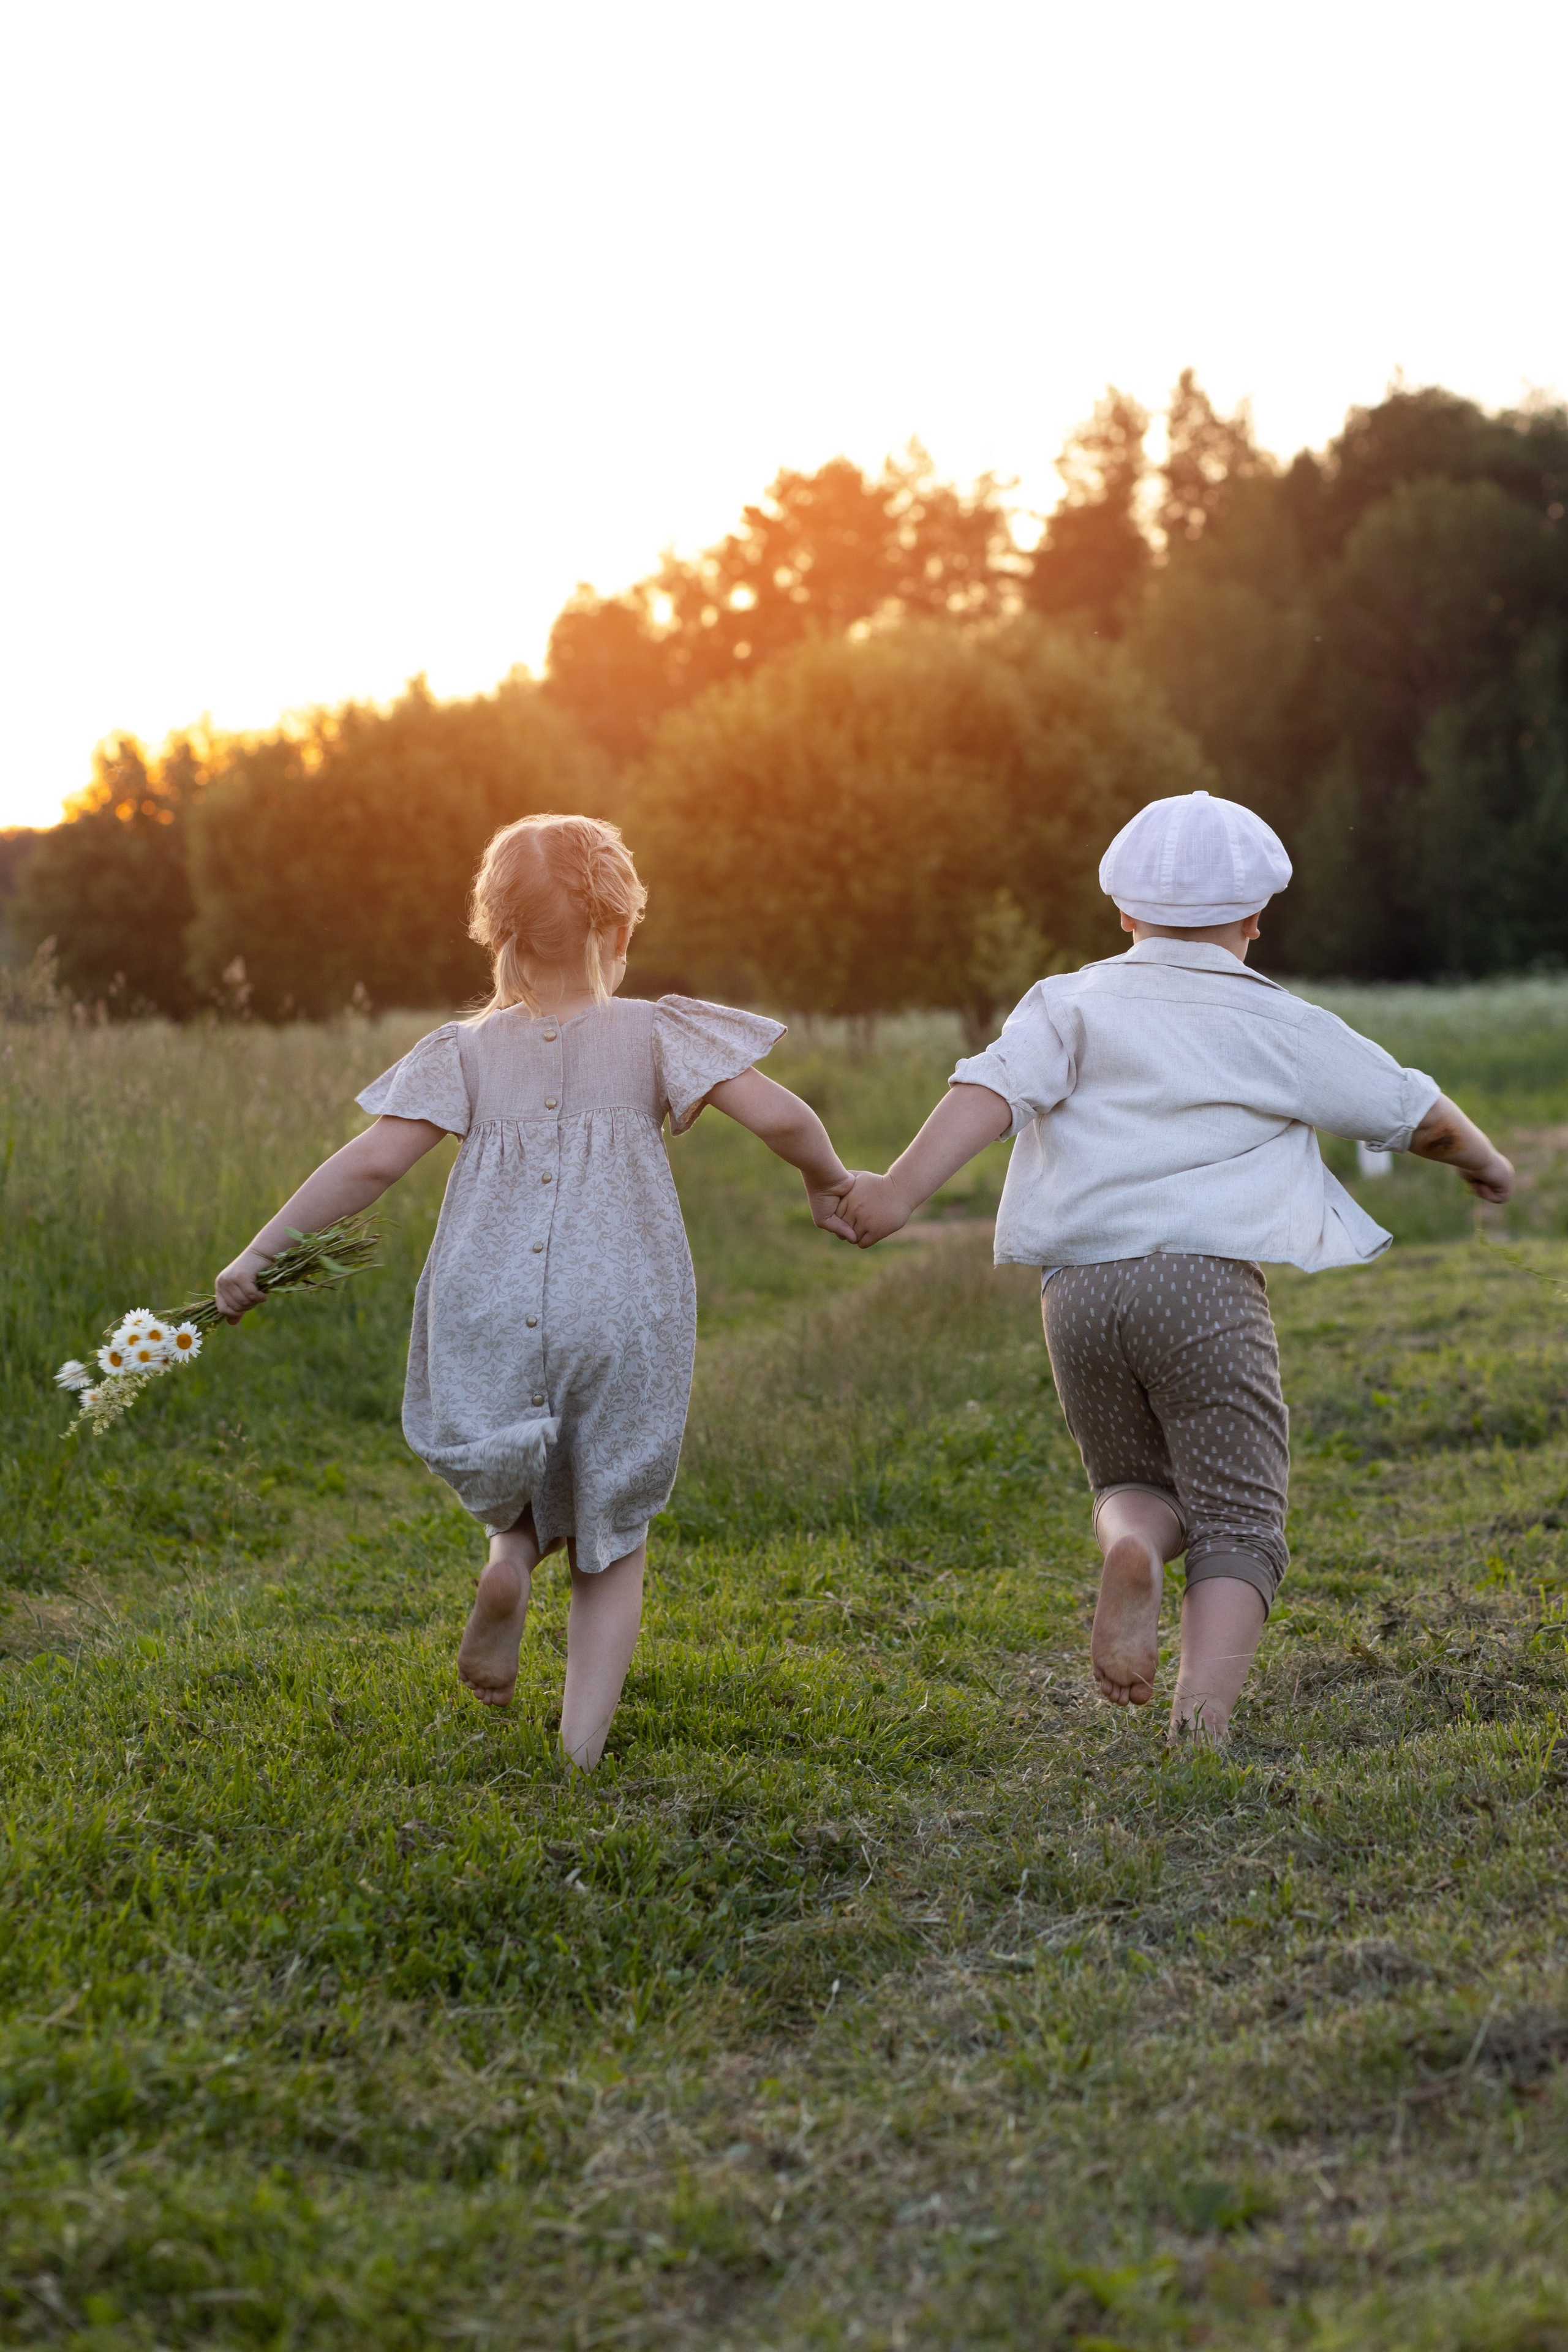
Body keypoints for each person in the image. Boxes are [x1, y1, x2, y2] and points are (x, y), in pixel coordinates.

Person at [838, 790, 1513, 1742]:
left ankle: (1132, 1550)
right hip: (1201, 1287)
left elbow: (989, 1090)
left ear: (1123, 912)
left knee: (1133, 1482)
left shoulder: (1067, 1002)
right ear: (1254, 920)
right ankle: (1202, 1723)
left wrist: (898, 1194)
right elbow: (1414, 1114)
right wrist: (1487, 1163)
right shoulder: (1274, 1017)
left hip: (1078, 1292)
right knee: (1240, 1518)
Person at [214, 813, 854, 1768]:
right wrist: (828, 1181)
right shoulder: (658, 1032)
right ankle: (580, 1751)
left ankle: (509, 1562)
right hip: (622, 1299)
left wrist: (260, 1254)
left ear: (498, 935)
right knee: (613, 1529)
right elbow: (783, 1115)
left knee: (516, 1475)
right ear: (621, 929)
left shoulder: (463, 1053)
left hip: (486, 1293)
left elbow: (372, 1162)